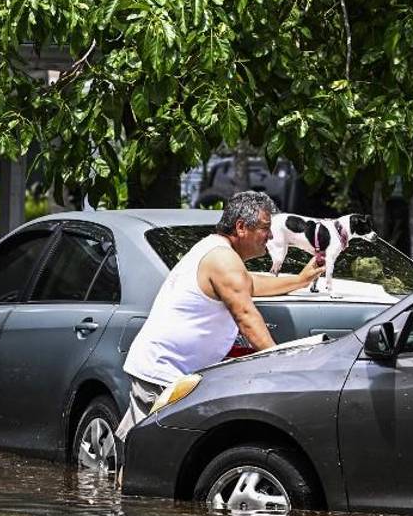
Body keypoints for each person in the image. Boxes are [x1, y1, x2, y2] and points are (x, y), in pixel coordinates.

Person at [115, 191, 324, 446]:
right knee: (153, 463)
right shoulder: (222, 259)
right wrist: (281, 363)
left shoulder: (217, 251)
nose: (270, 236)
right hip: (164, 374)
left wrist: (300, 280)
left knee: (144, 459)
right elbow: (247, 316)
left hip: (169, 372)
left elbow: (247, 283)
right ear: (241, 227)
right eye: (265, 228)